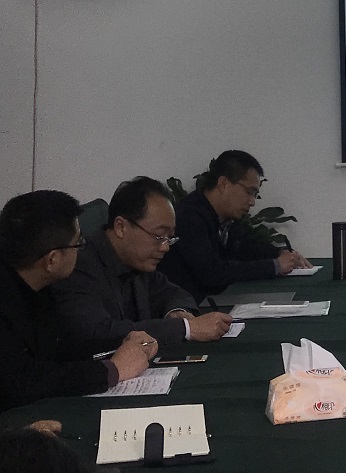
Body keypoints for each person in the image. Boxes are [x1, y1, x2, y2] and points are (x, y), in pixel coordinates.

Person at [0, 190, 157, 411]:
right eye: (78, 243)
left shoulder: (39, 285)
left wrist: (122, 343)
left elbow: (62, 346)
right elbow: (20, 381)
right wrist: (111, 371)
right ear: (52, 260)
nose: (82, 249)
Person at [54, 177, 232, 345]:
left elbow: (172, 293)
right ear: (121, 227)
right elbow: (99, 332)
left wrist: (177, 312)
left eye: (169, 238)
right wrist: (186, 328)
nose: (165, 247)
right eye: (159, 236)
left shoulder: (137, 260)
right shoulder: (78, 265)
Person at [158, 151, 311, 301]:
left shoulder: (226, 217)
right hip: (191, 307)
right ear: (223, 184)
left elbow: (247, 249)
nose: (252, 202)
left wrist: (279, 252)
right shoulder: (189, 217)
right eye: (249, 192)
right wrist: (274, 266)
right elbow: (212, 273)